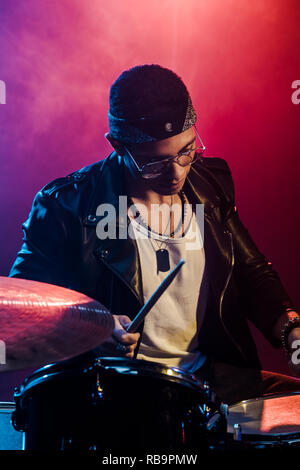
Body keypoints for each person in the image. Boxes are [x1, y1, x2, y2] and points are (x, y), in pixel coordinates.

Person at [9, 64, 300, 405]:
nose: (177, 173)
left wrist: (290, 329)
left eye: (187, 151)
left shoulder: (210, 186)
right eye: (154, 163)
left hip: (209, 381)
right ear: (116, 144)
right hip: (115, 391)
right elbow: (23, 310)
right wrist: (90, 328)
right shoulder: (66, 206)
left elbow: (252, 275)